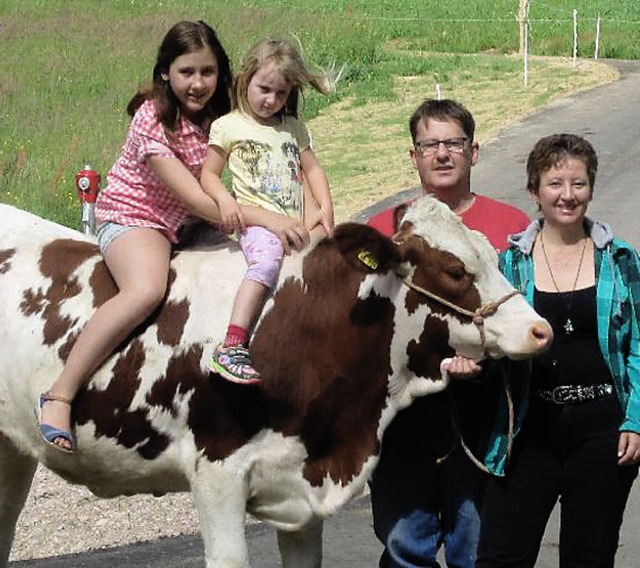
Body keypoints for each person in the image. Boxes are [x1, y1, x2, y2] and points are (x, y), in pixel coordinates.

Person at [36, 21, 311, 454]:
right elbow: (202, 200)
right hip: (138, 217)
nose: (198, 83)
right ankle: (60, 394)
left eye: (207, 71)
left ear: (221, 73)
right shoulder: (152, 117)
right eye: (187, 72)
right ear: (166, 72)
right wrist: (271, 220)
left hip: (195, 223)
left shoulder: (224, 118)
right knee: (145, 290)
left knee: (259, 267)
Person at [367, 98, 530, 568]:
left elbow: (521, 315)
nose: (442, 153)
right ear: (413, 156)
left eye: (453, 143)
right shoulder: (384, 231)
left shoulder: (510, 229)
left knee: (475, 548)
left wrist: (483, 363)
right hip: (404, 416)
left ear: (473, 152)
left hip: (484, 413)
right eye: (429, 144)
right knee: (404, 546)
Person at [476, 133, 640, 567]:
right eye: (555, 184)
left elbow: (639, 345)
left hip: (603, 433)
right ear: (534, 190)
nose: (567, 196)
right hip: (528, 430)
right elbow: (485, 337)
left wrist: (636, 419)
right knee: (500, 556)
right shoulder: (508, 264)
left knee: (590, 556)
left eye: (578, 184)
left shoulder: (621, 259)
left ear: (590, 187)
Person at [201, 37, 334, 385]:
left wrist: (325, 208)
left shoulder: (292, 129)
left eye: (281, 93)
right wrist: (225, 201)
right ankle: (232, 343)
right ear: (246, 78)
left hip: (294, 220)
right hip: (257, 223)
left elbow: (313, 170)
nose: (271, 100)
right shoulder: (229, 126)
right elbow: (209, 175)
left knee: (325, 262)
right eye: (264, 89)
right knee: (267, 262)